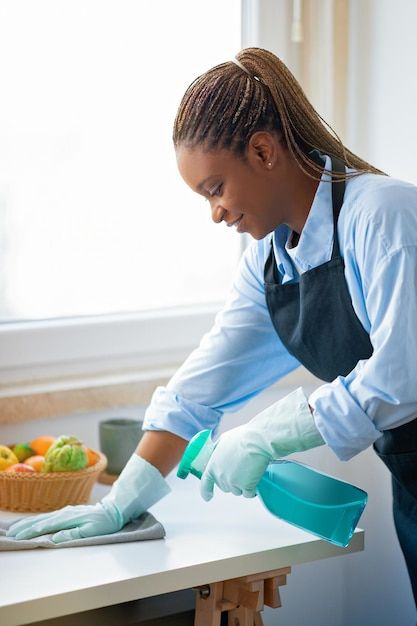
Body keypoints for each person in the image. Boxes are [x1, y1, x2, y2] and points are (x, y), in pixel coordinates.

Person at [7, 48, 417, 608]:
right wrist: (123, 500)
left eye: (215, 188)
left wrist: (267, 433)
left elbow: (404, 373)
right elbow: (204, 383)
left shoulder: (384, 215)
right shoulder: (272, 261)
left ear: (263, 151)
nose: (216, 213)